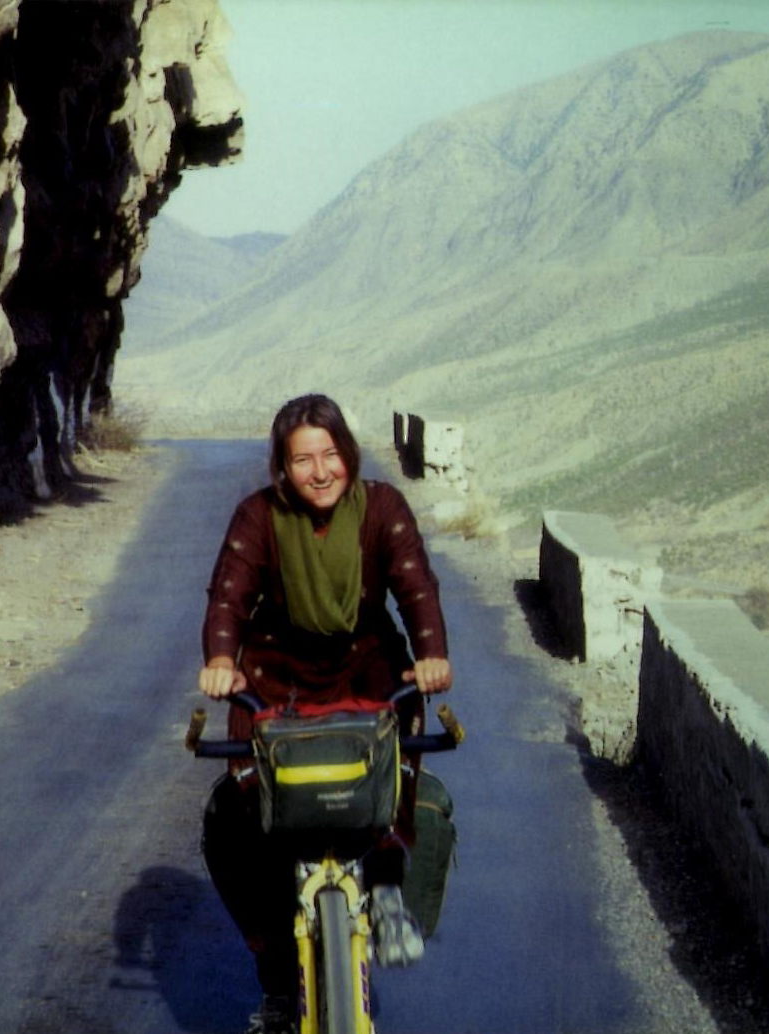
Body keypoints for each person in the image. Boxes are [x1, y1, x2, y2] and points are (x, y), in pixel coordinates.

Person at [199, 393, 453, 1034]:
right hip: (277, 685)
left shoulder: (383, 509)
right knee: (236, 822)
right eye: (302, 459)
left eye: (330, 454)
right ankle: (281, 987)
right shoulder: (257, 517)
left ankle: (393, 891)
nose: (320, 471)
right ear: (282, 467)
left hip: (368, 674)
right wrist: (221, 661)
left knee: (414, 798)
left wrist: (431, 656)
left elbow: (416, 585)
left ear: (349, 453)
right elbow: (229, 594)